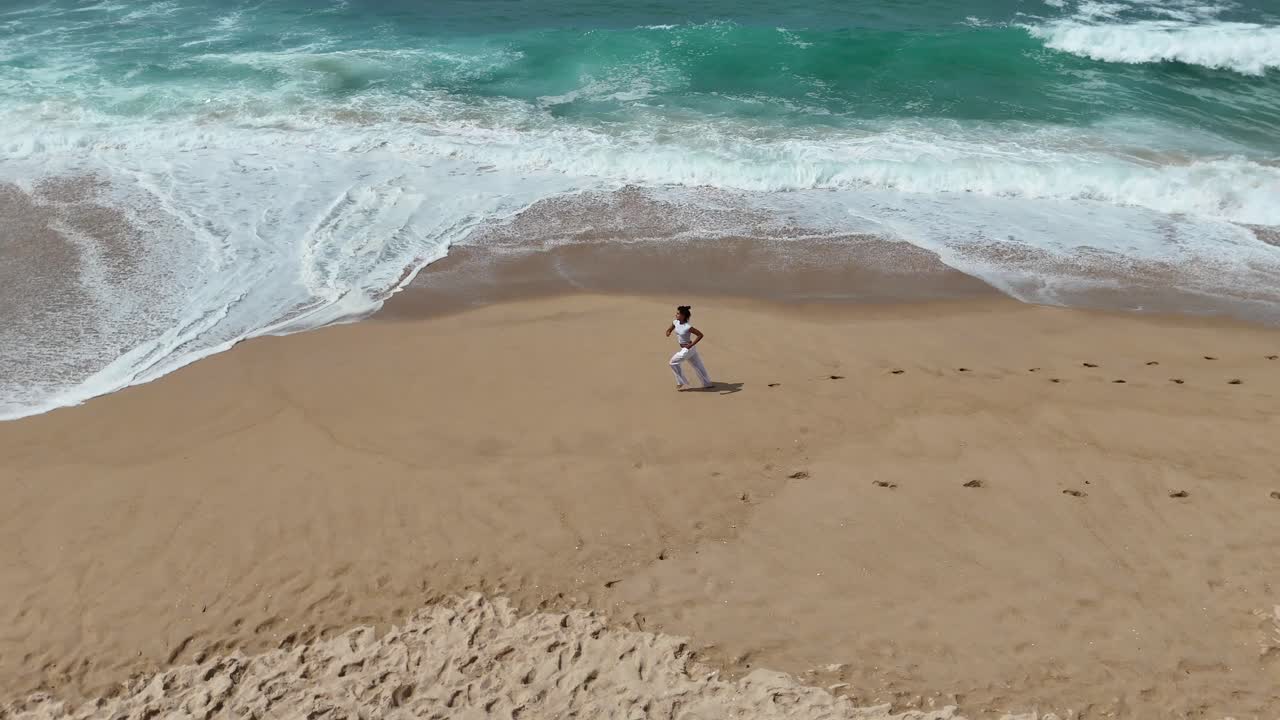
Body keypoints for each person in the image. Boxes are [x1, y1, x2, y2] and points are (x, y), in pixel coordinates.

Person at [665, 305, 713, 391]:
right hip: (691, 349)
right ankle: (707, 383)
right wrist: (668, 332)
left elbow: (700, 335)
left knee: (672, 363)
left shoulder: (687, 327)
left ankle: (681, 382)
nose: (676, 314)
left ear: (683, 316)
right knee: (698, 365)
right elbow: (670, 328)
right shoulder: (675, 322)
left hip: (687, 349)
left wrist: (690, 345)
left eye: (678, 313)